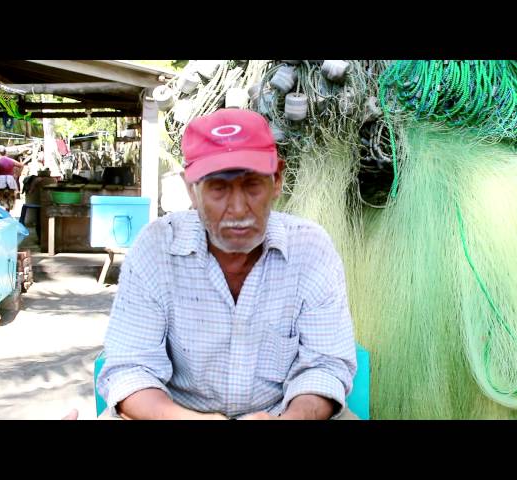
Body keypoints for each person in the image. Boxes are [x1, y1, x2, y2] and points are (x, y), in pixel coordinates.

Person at [97, 109, 357, 420]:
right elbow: (130, 368)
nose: (237, 209)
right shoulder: (155, 249)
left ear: (277, 180)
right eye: (218, 188)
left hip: (282, 413)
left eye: (252, 186)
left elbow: (326, 365)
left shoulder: (312, 249)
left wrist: (291, 419)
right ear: (191, 189)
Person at [0, 146, 25, 211]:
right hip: (10, 181)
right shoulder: (11, 160)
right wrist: (17, 174)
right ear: (6, 153)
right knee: (9, 198)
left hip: (0, 182)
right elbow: (21, 165)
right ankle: (7, 212)